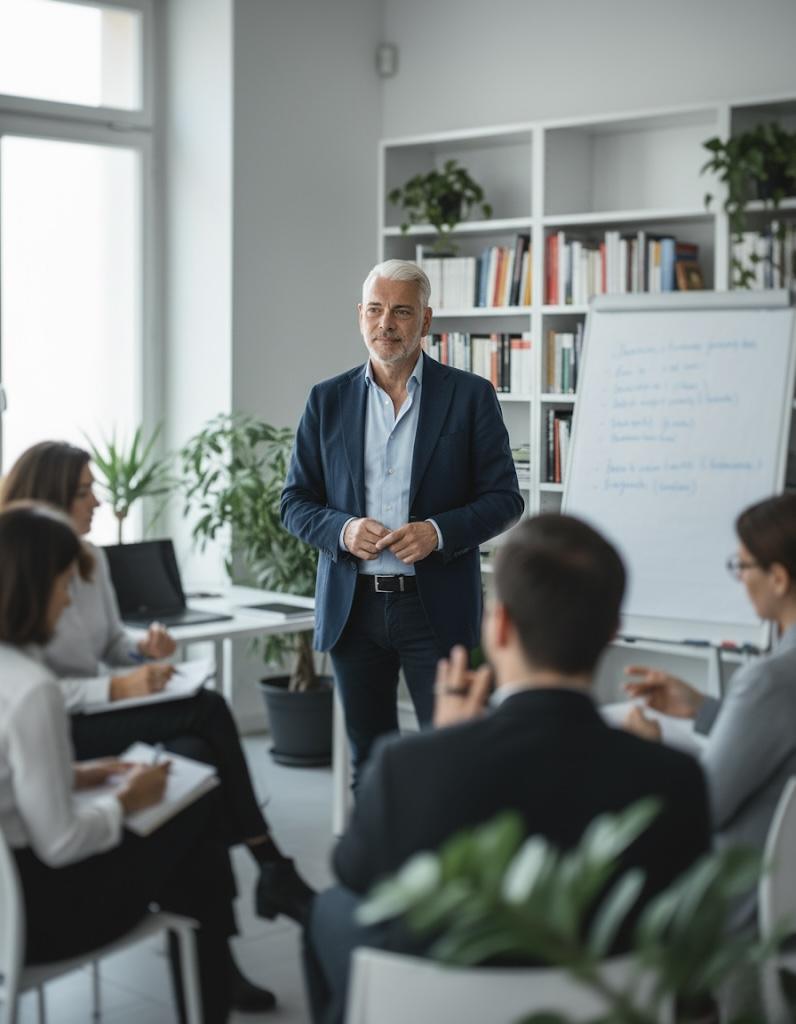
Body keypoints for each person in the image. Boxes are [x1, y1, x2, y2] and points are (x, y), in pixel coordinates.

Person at [303, 514, 712, 1023]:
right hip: (611, 1003)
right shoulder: (677, 777)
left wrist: (444, 747)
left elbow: (355, 872)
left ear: (498, 626)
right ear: (611, 631)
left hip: (450, 1004)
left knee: (329, 909)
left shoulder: (407, 764)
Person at [1, 441, 316, 1010]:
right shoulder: (30, 688)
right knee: (199, 760)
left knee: (196, 753)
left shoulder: (83, 564)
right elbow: (61, 839)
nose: (97, 501)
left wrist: (140, 651)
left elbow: (109, 643)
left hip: (35, 835)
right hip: (63, 763)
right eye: (84, 492)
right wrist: (128, 796)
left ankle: (226, 954)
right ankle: (260, 888)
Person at [281, 259, 524, 782]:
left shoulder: (470, 396)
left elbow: (505, 499)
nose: (385, 323)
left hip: (434, 608)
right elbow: (294, 502)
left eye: (401, 312)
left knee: (452, 762)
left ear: (426, 320)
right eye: (375, 310)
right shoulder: (327, 400)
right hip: (353, 608)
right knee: (369, 766)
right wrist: (343, 530)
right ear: (360, 315)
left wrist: (437, 532)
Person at [624, 491, 796, 930]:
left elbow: (698, 808)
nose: (740, 578)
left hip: (740, 911)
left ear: (778, 578)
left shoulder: (769, 679)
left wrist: (650, 752)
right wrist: (702, 708)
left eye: (743, 566)